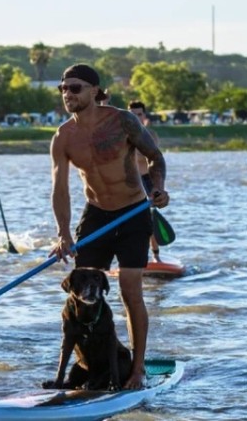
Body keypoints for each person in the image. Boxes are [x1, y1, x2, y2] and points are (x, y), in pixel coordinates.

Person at [49, 64, 170, 389]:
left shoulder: (121, 121)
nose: (67, 94)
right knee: (81, 291)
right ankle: (89, 367)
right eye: (63, 88)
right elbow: (60, 189)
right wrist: (63, 233)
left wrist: (157, 189)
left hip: (132, 211)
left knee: (130, 290)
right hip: (97, 214)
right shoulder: (63, 137)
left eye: (75, 88)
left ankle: (137, 369)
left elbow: (156, 157)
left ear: (93, 90)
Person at [129, 101, 161, 262]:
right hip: (130, 182)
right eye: (132, 115)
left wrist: (158, 187)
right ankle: (131, 256)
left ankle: (156, 256)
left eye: (139, 114)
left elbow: (153, 158)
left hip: (147, 181)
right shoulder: (121, 135)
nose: (136, 118)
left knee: (149, 220)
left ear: (144, 116)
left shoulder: (151, 135)